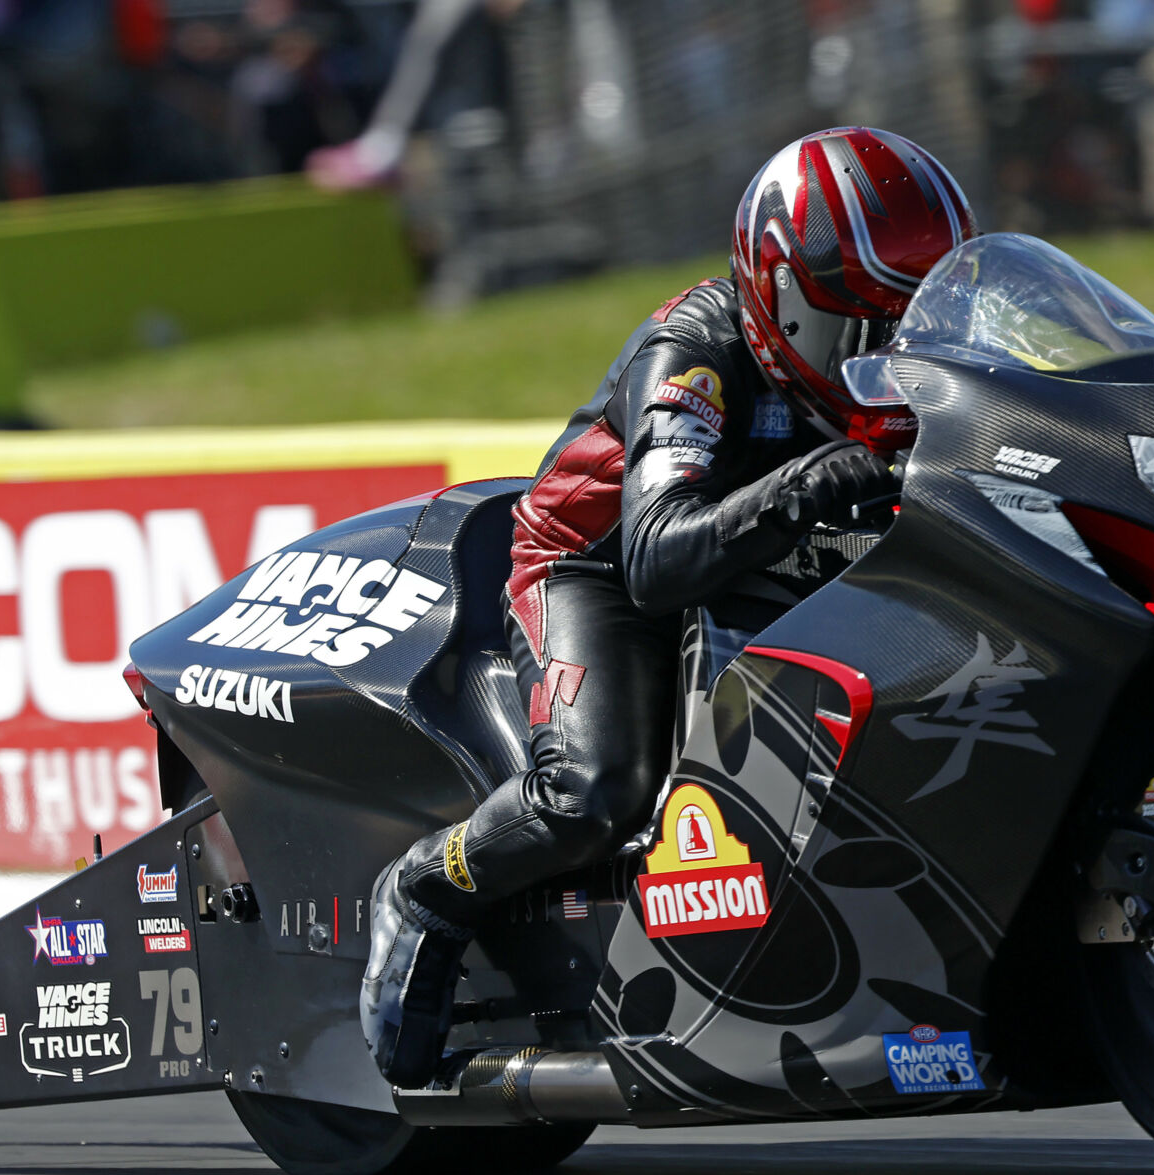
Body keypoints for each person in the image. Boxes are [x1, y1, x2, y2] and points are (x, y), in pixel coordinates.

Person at [361, 126, 978, 1087]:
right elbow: (656, 557)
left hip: (783, 546)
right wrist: (814, 481)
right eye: (867, 330)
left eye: (915, 329)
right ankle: (425, 890)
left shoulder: (899, 358)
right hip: (600, 569)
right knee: (598, 787)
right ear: (783, 296)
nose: (892, 357)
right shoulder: (692, 355)